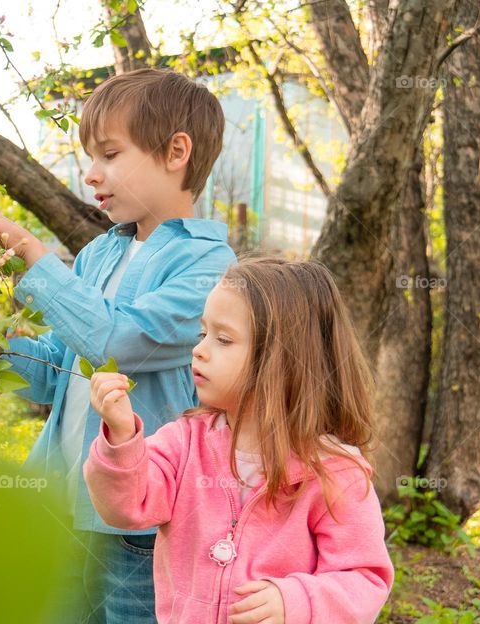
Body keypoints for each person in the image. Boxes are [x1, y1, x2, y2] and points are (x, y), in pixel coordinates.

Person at [0, 68, 235, 622]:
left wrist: (31, 254)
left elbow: (114, 342)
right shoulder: (96, 257)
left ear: (176, 151)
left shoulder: (209, 265)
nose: (91, 174)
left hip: (139, 523)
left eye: (109, 155)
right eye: (91, 157)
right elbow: (55, 375)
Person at [85, 258, 394, 623]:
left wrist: (297, 602)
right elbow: (126, 506)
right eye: (202, 334)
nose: (198, 350)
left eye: (224, 339)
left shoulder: (335, 473)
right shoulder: (184, 444)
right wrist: (121, 438)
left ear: (285, 360)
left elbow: (364, 578)